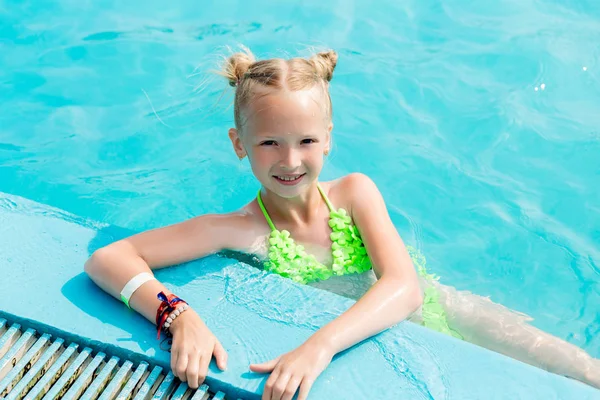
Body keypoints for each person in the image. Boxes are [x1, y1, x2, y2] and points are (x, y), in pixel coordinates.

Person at [84, 46, 599, 400]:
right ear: (239, 145)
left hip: (447, 307)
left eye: (306, 141)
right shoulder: (240, 230)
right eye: (269, 143)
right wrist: (178, 316)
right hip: (385, 340)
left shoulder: (355, 192)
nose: (290, 161)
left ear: (328, 138)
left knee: (578, 369)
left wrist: (318, 347)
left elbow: (406, 287)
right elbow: (108, 258)